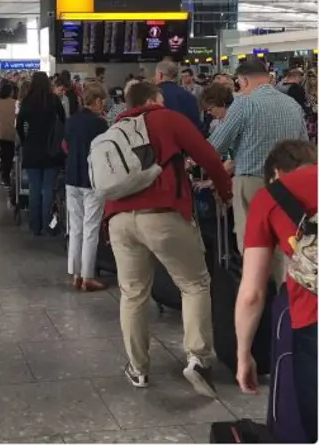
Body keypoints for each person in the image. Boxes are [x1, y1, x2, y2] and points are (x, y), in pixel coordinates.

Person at [105, 81, 232, 396]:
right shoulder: (167, 118)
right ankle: (198, 359)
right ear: (154, 99)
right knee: (194, 284)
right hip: (163, 213)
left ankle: (138, 369)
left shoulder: (115, 129)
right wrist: (225, 190)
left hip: (119, 219)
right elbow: (208, 156)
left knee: (133, 294)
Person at [236, 140, 317, 443]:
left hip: (313, 320)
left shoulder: (270, 196)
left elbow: (252, 293)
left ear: (276, 174)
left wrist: (244, 355)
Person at [208, 60, 308, 256]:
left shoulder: (243, 104)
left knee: (252, 240)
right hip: (287, 182)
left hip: (251, 181)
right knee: (284, 240)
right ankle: (283, 285)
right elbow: (304, 147)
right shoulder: (292, 104)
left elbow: (216, 146)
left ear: (243, 80)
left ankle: (256, 284)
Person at [64, 82, 109, 291]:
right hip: (92, 180)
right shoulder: (100, 124)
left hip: (71, 177)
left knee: (75, 227)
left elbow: (65, 146)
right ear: (98, 101)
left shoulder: (71, 121)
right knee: (91, 228)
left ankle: (75, 274)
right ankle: (88, 276)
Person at [16, 71, 66, 236]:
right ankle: (47, 224)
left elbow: (19, 125)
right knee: (47, 189)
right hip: (51, 149)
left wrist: (24, 141)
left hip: (31, 149)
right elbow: (63, 120)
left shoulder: (27, 102)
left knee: (34, 188)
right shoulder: (54, 100)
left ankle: (34, 225)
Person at [154, 60, 201, 130]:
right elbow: (196, 125)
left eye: (155, 74)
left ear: (160, 75)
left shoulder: (154, 95)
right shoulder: (190, 96)